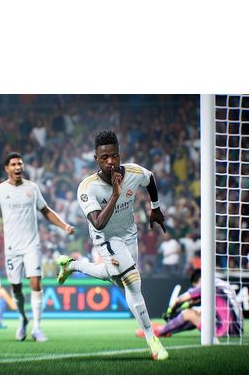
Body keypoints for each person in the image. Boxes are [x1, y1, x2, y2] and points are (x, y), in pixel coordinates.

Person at [56, 130, 169, 361]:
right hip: (105, 238)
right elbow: (98, 223)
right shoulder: (87, 188)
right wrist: (116, 195)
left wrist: (155, 207)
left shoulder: (134, 172)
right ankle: (152, 339)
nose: (110, 161)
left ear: (120, 155)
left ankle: (72, 265)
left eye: (114, 156)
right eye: (104, 157)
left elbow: (150, 179)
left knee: (117, 278)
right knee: (133, 281)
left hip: (129, 234)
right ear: (96, 159)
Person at [0, 152, 75, 342]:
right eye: (14, 164)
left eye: (20, 164)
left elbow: (46, 211)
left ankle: (37, 328)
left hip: (32, 245)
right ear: (7, 168)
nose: (18, 167)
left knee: (35, 282)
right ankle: (23, 319)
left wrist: (64, 226)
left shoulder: (32, 187)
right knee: (16, 288)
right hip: (12, 249)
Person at [136, 269, 243, 339]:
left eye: (195, 286)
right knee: (197, 314)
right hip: (237, 331)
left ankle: (160, 331)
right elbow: (196, 302)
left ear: (198, 281)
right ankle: (167, 330)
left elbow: (179, 300)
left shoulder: (205, 284)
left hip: (224, 331)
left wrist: (170, 311)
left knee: (187, 314)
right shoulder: (221, 283)